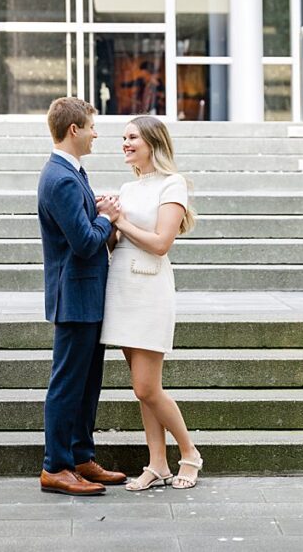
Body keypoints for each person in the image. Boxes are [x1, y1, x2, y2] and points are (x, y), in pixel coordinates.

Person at [100, 115, 202, 490]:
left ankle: (189, 453)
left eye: (132, 138)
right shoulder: (126, 187)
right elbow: (115, 242)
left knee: (146, 388)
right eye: (123, 138)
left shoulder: (173, 184)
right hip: (122, 287)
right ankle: (157, 463)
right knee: (141, 386)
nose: (125, 144)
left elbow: (161, 243)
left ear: (152, 143)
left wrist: (120, 220)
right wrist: (105, 221)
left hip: (150, 290)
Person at [37, 97, 127, 496]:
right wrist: (106, 217)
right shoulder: (60, 178)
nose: (95, 134)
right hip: (73, 298)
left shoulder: (74, 172)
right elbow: (86, 242)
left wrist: (102, 214)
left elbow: (88, 233)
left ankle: (80, 456)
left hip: (87, 296)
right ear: (74, 129)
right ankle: (55, 467)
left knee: (88, 384)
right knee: (68, 385)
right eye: (92, 127)